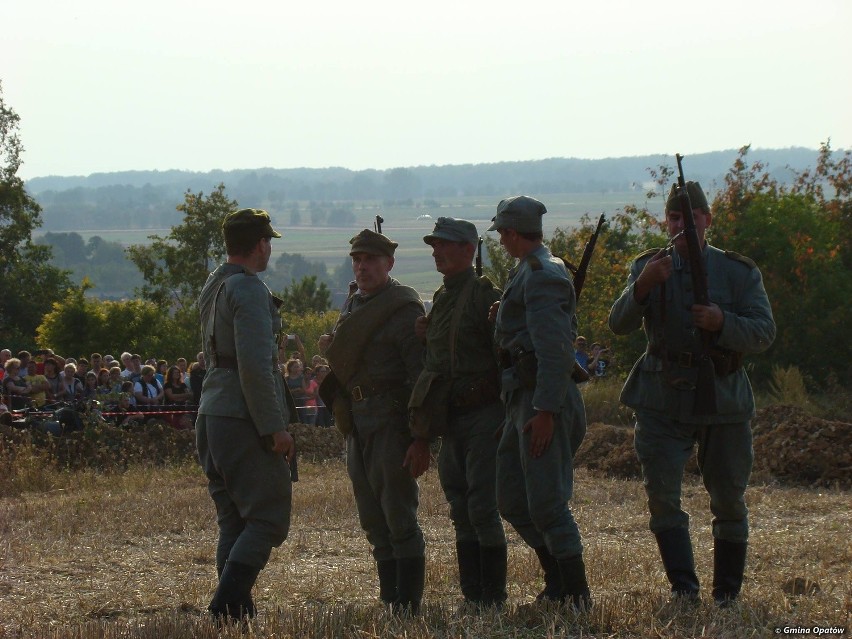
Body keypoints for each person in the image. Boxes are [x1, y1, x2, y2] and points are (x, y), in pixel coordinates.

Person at [608, 181, 776, 606]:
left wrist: (723, 322)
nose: (682, 225)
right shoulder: (648, 266)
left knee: (728, 497)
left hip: (722, 397)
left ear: (707, 219)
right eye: (675, 218)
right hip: (661, 396)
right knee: (662, 496)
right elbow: (618, 324)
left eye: (691, 217)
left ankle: (727, 594)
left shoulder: (738, 272)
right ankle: (684, 589)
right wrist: (642, 286)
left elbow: (764, 333)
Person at [488, 196, 591, 609]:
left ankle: (575, 594)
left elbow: (554, 351)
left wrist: (546, 412)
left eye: (502, 234)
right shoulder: (529, 272)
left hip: (542, 400)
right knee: (511, 499)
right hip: (522, 398)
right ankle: (557, 579)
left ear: (513, 233)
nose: (500, 241)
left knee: (548, 503)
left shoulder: (541, 273)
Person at [318, 228, 426, 613]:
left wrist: (420, 437)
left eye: (371, 261)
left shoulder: (403, 308)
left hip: (391, 421)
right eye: (357, 260)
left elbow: (420, 376)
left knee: (398, 514)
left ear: (389, 264)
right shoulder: (352, 305)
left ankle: (408, 602)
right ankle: (390, 596)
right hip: (357, 420)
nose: (362, 267)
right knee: (371, 516)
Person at [196, 208, 295, 623]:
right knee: (269, 518)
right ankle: (225, 604)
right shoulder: (249, 290)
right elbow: (255, 366)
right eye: (267, 241)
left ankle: (236, 615)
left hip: (212, 412)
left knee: (234, 521)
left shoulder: (213, 284)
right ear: (260, 244)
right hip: (243, 417)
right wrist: (274, 427)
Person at [408, 217, 507, 608]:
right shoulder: (444, 297)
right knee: (460, 506)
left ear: (469, 249)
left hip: (484, 413)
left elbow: (502, 354)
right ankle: (473, 593)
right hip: (453, 418)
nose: (437, 251)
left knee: (483, 506)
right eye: (435, 245)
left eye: (446, 244)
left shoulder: (485, 295)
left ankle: (493, 597)